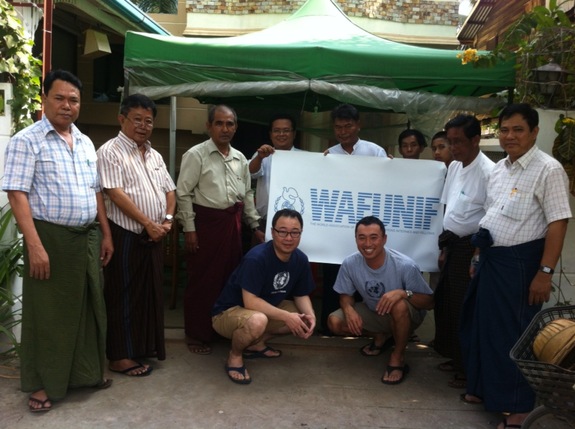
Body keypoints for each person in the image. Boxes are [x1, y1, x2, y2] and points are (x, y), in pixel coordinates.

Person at [2, 70, 114, 412]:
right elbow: (17, 194)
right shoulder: (27, 140)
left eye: (74, 100)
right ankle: (43, 384)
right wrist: (35, 246)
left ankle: (84, 374)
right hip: (50, 239)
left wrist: (106, 233)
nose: (67, 105)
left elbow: (96, 192)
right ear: (45, 99)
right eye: (60, 98)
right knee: (50, 315)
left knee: (87, 309)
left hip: (87, 237)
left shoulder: (85, 142)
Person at [460, 104, 571, 429]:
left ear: (534, 132)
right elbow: (490, 215)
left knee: (514, 333)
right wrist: (478, 256)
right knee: (482, 327)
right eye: (505, 130)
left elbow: (558, 222)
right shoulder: (499, 169)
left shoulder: (549, 169)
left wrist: (545, 272)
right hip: (491, 260)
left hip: (521, 264)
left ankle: (518, 407)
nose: (510, 136)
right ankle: (484, 390)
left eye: (518, 130)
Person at [96, 94, 176, 377]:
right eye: (137, 120)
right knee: (123, 294)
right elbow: (114, 193)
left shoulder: (155, 155)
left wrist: (166, 221)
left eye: (148, 121)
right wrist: (147, 223)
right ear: (122, 119)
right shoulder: (110, 151)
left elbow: (170, 191)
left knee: (149, 294)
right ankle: (119, 356)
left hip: (155, 235)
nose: (143, 126)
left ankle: (140, 348)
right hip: (126, 234)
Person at [176, 105, 264, 355]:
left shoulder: (240, 158)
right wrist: (190, 229)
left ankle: (223, 330)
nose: (225, 129)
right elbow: (183, 193)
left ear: (235, 127)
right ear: (209, 126)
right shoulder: (196, 155)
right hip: (206, 225)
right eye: (219, 123)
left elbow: (247, 194)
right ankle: (197, 333)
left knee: (229, 280)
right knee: (202, 280)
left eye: (230, 124)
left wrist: (254, 225)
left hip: (232, 227)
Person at [212, 209, 316, 384]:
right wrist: (286, 316)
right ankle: (235, 356)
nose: (288, 238)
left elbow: (301, 294)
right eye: (282, 232)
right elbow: (250, 301)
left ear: (301, 233)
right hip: (228, 313)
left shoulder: (300, 259)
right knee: (258, 321)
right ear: (272, 232)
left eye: (294, 232)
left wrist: (311, 316)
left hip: (261, 311)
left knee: (302, 317)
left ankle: (256, 343)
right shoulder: (257, 258)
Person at [327, 216, 434, 385]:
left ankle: (398, 356)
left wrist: (403, 293)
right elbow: (345, 294)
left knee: (398, 305)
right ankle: (380, 335)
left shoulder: (405, 265)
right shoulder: (350, 263)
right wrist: (349, 309)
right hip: (375, 311)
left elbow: (429, 302)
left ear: (384, 239)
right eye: (362, 238)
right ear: (356, 239)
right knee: (334, 322)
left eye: (373, 237)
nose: (367, 244)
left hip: (406, 317)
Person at [433, 115, 494, 389]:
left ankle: (467, 368)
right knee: (446, 304)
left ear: (475, 140)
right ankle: (453, 357)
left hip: (472, 246)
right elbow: (448, 206)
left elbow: (490, 219)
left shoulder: (489, 172)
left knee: (464, 309)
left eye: (458, 141)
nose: (453, 147)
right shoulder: (456, 166)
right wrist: (445, 247)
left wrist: (477, 256)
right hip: (452, 243)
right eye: (450, 141)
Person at [322, 104, 388, 335]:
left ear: (358, 125)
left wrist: (392, 167)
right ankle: (332, 328)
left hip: (366, 232)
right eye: (338, 127)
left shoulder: (376, 152)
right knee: (334, 276)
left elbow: (387, 184)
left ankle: (367, 329)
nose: (343, 131)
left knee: (365, 277)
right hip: (336, 231)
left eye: (348, 126)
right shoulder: (328, 155)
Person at [249, 113, 301, 224]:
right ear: (270, 134)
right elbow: (251, 173)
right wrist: (259, 157)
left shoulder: (305, 157)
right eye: (277, 131)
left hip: (296, 222)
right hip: (265, 221)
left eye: (286, 130)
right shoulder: (262, 155)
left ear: (294, 134)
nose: (281, 134)